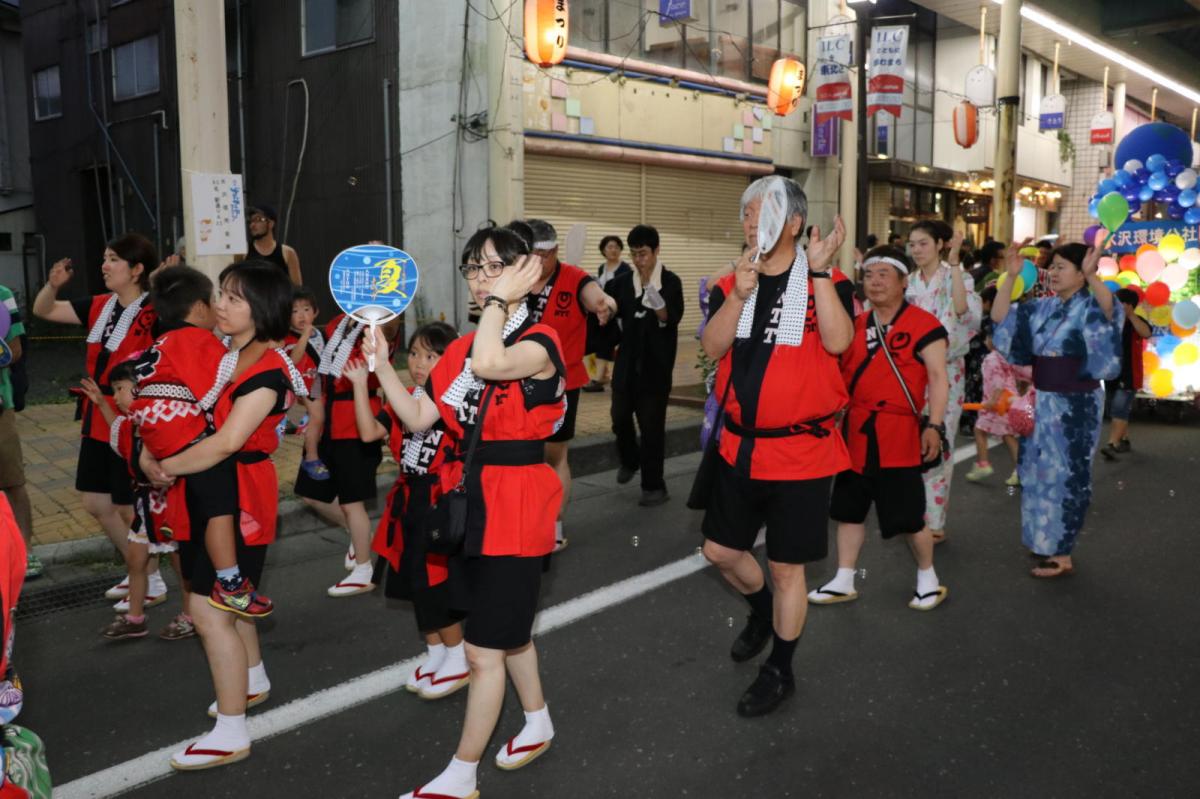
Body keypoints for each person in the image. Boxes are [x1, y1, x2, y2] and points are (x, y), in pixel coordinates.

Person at [366, 225, 565, 799]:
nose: (480, 281)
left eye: (493, 267)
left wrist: (502, 302)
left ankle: (461, 773)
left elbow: (492, 361)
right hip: (468, 500)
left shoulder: (541, 342)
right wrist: (382, 367)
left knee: (483, 650)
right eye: (473, 270)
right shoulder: (460, 349)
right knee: (505, 633)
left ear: (525, 271)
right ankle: (538, 719)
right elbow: (421, 417)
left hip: (519, 502)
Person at [144, 261, 308, 769]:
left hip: (237, 494)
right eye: (221, 294)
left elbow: (227, 442)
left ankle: (232, 731)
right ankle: (251, 678)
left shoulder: (266, 371)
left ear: (261, 310)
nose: (221, 304)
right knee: (218, 597)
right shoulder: (228, 355)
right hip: (208, 488)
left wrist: (164, 464)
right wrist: (151, 456)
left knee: (209, 609)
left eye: (235, 298)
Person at [699, 176, 852, 717]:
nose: (750, 225)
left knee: (789, 568)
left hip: (803, 453)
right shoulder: (731, 281)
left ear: (793, 224)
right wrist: (739, 295)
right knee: (719, 551)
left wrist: (820, 272)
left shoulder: (822, 282)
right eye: (745, 215)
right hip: (739, 449)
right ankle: (762, 611)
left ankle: (780, 669)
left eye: (761, 215)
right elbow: (712, 347)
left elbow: (838, 342)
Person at [808, 246, 950, 611]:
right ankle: (843, 578)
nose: (875, 282)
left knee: (908, 516)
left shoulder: (925, 325)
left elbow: (937, 378)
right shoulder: (854, 326)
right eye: (869, 275)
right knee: (849, 509)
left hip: (900, 433)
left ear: (904, 282)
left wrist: (933, 425)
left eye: (885, 274)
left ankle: (928, 578)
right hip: (856, 431)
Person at [32, 234, 166, 604]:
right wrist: (52, 286)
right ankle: (138, 570)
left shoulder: (155, 310)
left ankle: (149, 578)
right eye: (105, 258)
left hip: (129, 415)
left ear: (137, 270)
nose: (104, 266)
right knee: (95, 502)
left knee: (126, 505)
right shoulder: (100, 305)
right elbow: (45, 310)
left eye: (113, 260)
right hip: (96, 412)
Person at [348, 322, 468, 700]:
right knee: (413, 580)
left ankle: (458, 655)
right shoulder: (407, 396)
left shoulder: (455, 398)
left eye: (432, 356)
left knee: (435, 581)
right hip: (409, 499)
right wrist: (357, 384)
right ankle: (436, 652)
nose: (419, 363)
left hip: (440, 499)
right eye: (415, 353)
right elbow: (369, 433)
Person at [991, 241, 1122, 578]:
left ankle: (1061, 551)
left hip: (1076, 406)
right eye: (1053, 266)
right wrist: (1010, 276)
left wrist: (1095, 278)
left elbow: (1110, 312)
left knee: (1068, 474)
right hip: (1044, 399)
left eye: (1063, 266)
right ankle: (1044, 540)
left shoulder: (1091, 306)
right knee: (1036, 472)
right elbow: (1000, 318)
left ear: (1082, 273)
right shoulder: (1042, 308)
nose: (1053, 273)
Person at [522, 219, 616, 552]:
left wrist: (605, 305)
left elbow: (597, 297)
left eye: (544, 254)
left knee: (553, 456)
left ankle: (554, 524)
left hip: (561, 384)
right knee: (520, 457)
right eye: (532, 254)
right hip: (516, 382)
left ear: (555, 251)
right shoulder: (515, 280)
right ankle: (524, 518)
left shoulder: (575, 279)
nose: (539, 261)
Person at [296, 310, 400, 596]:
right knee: (310, 491)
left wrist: (370, 321)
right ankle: (360, 535)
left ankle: (364, 569)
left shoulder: (382, 322)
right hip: (325, 418)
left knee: (352, 502)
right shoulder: (338, 321)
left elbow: (384, 342)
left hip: (358, 419)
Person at [81, 362, 182, 639]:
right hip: (144, 507)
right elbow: (117, 434)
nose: (117, 396)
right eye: (113, 390)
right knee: (136, 561)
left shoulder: (161, 422)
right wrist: (101, 403)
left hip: (168, 506)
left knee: (179, 563)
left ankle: (191, 615)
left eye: (120, 389)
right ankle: (135, 618)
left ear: (141, 389)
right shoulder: (128, 425)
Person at [905, 220, 981, 544]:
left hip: (946, 371)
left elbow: (964, 312)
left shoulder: (957, 277)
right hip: (909, 371)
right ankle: (914, 513)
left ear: (940, 244)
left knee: (938, 440)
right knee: (908, 441)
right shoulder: (907, 283)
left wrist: (954, 264)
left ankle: (934, 520)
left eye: (923, 243)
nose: (916, 250)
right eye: (912, 244)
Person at [602, 225, 685, 505]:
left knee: (651, 429)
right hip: (626, 365)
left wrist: (651, 289)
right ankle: (629, 459)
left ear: (656, 251)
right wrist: (606, 310)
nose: (640, 261)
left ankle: (654, 486)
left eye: (644, 254)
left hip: (655, 367)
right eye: (635, 254)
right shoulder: (623, 282)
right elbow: (612, 310)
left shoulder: (671, 281)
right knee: (619, 418)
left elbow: (669, 316)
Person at [965, 326, 1032, 487]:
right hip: (1008, 402)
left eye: (988, 337)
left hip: (997, 404)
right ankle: (1020, 470)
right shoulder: (1006, 356)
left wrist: (991, 402)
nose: (986, 340)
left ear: (992, 341)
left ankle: (983, 464)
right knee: (1007, 435)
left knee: (979, 430)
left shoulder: (991, 358)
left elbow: (998, 383)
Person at [0, 284, 34, 580]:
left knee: (12, 481)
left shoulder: (2, 294)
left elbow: (15, 350)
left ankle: (26, 552)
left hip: (0, 405)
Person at [1101, 287, 1152, 459]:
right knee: (1113, 408)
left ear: (1128, 305)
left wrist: (1130, 315)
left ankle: (1112, 444)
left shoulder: (1136, 321)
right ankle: (1124, 438)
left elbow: (1146, 333)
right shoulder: (1109, 321)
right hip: (1110, 373)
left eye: (1119, 302)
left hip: (1129, 373)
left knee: (1119, 408)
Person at [283, 286, 327, 479]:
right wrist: (304, 337)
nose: (301, 315)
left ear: (315, 312)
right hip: (302, 384)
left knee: (317, 419)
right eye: (294, 311)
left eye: (306, 309)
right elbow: (293, 360)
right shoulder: (289, 337)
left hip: (316, 382)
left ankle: (312, 447)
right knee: (317, 416)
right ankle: (311, 457)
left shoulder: (320, 334)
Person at [583, 235, 631, 393]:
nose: (613, 250)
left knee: (606, 340)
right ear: (603, 250)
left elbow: (625, 293)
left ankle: (598, 379)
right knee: (597, 339)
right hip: (602, 311)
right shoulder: (602, 268)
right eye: (610, 247)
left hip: (617, 313)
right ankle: (601, 376)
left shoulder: (625, 269)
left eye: (616, 247)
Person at [246, 203, 302, 285]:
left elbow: (298, 288)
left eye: (258, 219)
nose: (252, 225)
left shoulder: (288, 253)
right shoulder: (244, 252)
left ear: (271, 223)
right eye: (250, 221)